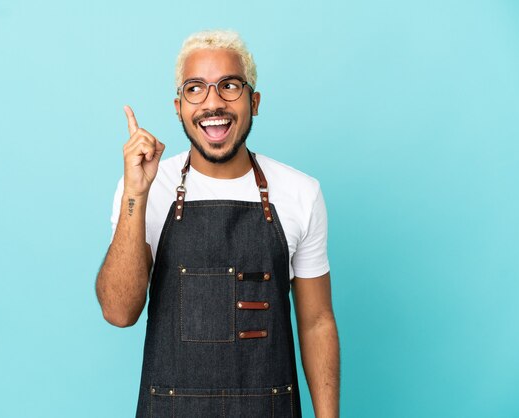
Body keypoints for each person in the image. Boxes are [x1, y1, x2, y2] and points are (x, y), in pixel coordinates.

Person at [96, 30, 340, 418]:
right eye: (196, 88)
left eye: (229, 86)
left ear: (253, 101)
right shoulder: (146, 188)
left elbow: (316, 321)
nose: (213, 102)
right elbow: (119, 312)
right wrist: (135, 195)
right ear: (179, 106)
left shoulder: (300, 192)